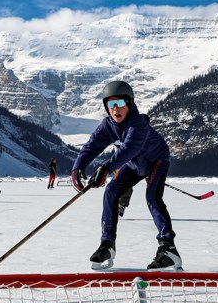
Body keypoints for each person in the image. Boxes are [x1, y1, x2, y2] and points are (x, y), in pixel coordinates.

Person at [71, 80, 180, 270]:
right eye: (110, 104)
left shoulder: (138, 125)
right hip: (133, 165)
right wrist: (77, 168)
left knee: (153, 197)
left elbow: (130, 149)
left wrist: (106, 168)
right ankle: (107, 245)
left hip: (157, 160)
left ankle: (168, 248)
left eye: (120, 103)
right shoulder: (108, 125)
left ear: (129, 103)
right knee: (111, 190)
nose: (115, 109)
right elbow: (91, 146)